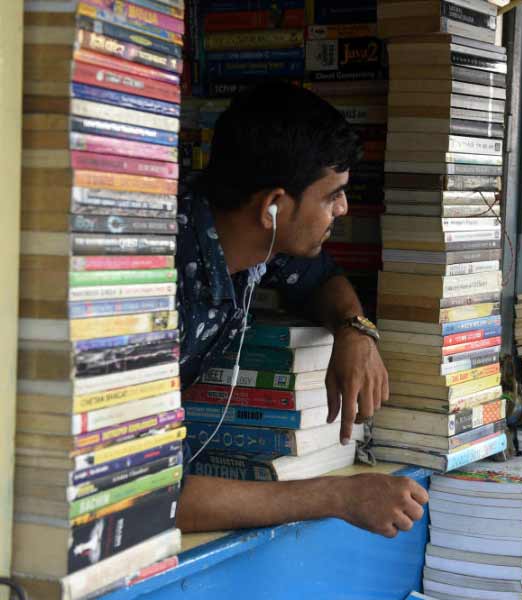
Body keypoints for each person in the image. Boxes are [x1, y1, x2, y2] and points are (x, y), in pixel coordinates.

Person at [173, 82, 428, 538]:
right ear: (272, 206)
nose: (344, 209)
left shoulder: (257, 239)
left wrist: (355, 329)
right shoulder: (158, 281)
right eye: (332, 196)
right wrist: (338, 496)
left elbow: (322, 279)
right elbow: (153, 502)